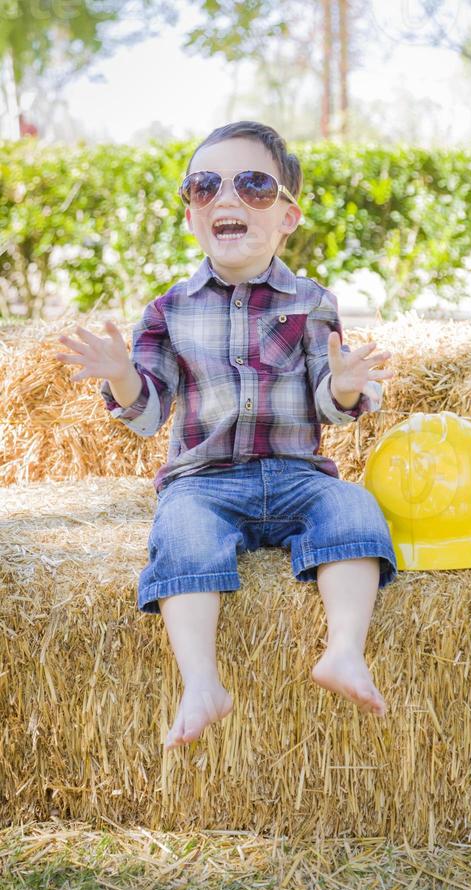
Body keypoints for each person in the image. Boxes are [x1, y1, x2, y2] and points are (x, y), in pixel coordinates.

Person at [55, 120, 398, 751]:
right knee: (181, 536)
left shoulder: (312, 303)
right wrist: (125, 376)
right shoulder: (167, 310)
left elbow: (332, 402)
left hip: (297, 477)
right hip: (203, 482)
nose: (227, 198)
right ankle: (202, 683)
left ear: (288, 217)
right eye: (205, 185)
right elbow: (149, 413)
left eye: (254, 185)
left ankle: (344, 651)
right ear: (191, 216)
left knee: (355, 508)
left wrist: (346, 382)